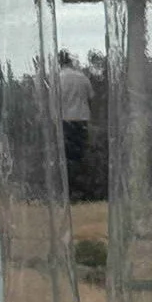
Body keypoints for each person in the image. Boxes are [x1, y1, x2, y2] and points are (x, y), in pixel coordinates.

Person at [58, 50, 93, 199]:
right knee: (81, 156)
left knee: (66, 157)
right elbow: (90, 98)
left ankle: (69, 191)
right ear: (70, 61)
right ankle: (83, 190)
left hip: (65, 121)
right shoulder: (82, 77)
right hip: (81, 120)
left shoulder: (58, 79)